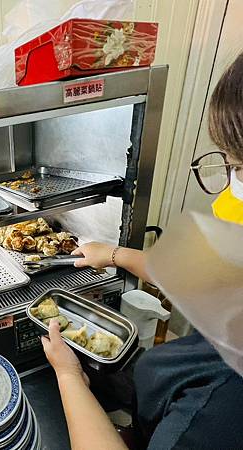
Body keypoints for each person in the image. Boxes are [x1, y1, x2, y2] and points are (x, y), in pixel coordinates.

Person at [42, 53, 243, 450]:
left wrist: (68, 376)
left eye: (240, 167)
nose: (229, 188)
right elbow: (205, 275)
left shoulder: (222, 409)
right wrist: (115, 254)